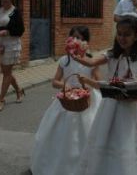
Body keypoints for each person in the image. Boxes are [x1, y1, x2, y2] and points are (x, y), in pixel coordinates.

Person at [73, 16, 137, 175]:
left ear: (136, 36)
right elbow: (91, 62)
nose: (122, 38)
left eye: (127, 34)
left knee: (131, 143)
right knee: (107, 139)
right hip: (110, 107)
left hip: (133, 109)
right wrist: (76, 52)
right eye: (119, 34)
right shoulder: (111, 55)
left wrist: (129, 94)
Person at [30, 26, 102, 175]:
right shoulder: (64, 60)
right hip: (67, 100)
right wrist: (66, 85)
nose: (77, 41)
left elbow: (99, 82)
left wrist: (87, 83)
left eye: (81, 38)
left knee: (89, 130)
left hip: (87, 100)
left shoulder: (90, 61)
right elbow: (55, 81)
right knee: (60, 134)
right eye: (74, 37)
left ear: (87, 43)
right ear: (69, 40)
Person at [0, 0, 24, 112]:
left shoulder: (15, 12)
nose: (4, 0)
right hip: (0, 44)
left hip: (12, 44)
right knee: (6, 72)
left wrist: (7, 31)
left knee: (6, 72)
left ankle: (1, 99)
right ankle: (19, 91)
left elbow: (20, 30)